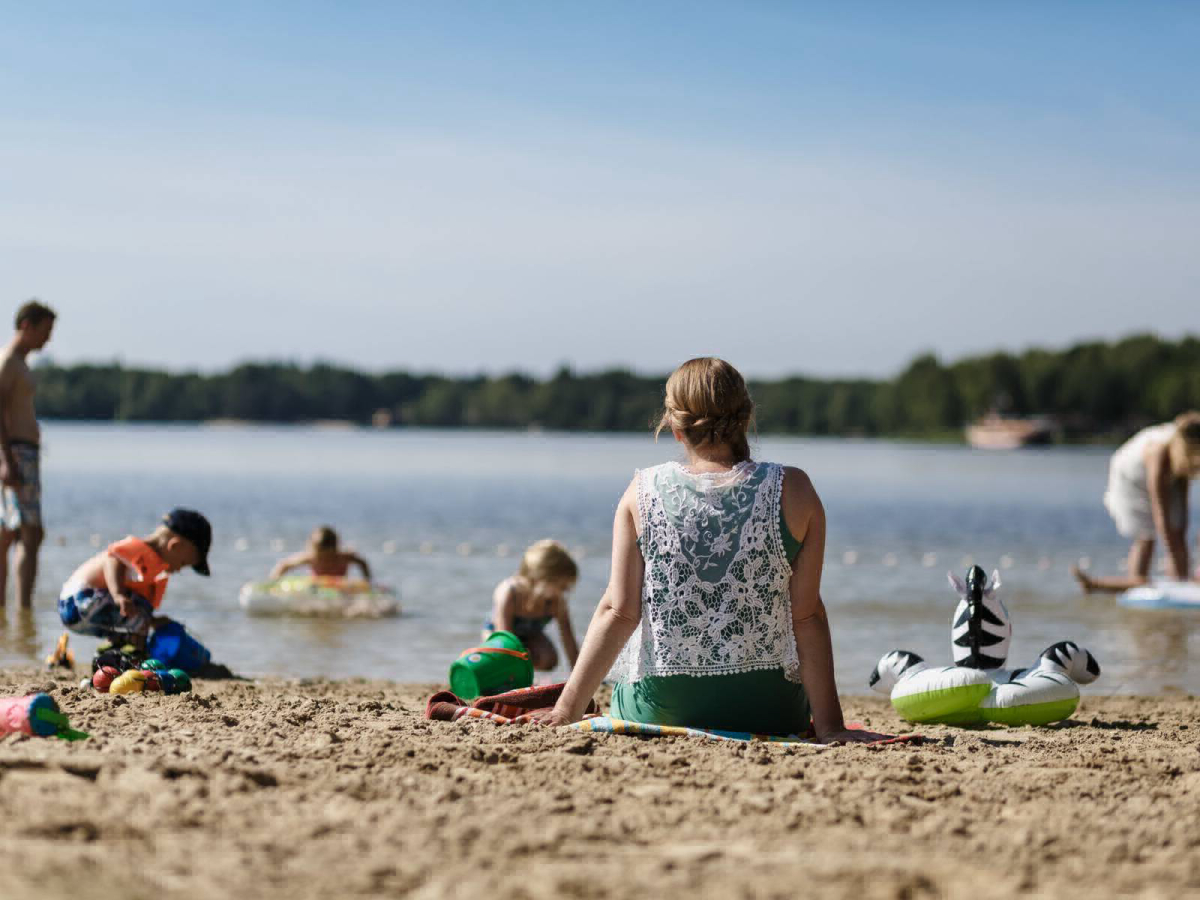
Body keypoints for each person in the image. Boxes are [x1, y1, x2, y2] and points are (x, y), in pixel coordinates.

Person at [529, 357, 889, 742]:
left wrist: (567, 710)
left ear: (674, 428)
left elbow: (619, 612)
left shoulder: (642, 491)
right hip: (772, 711)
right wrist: (831, 726)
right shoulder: (795, 490)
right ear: (747, 417)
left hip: (661, 709)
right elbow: (807, 616)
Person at [1073, 413, 1200, 594]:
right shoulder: (1159, 452)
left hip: (1163, 477)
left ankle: (1179, 580)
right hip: (1131, 478)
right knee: (1146, 537)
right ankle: (1134, 585)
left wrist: (1182, 573)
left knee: (1178, 530)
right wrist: (1174, 556)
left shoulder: (1183, 458)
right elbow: (1160, 513)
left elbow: (1181, 517)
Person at [57, 508, 212, 647]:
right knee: (139, 617)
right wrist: (118, 595)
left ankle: (116, 652)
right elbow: (112, 559)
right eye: (183, 563)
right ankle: (134, 652)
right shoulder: (139, 548)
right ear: (175, 545)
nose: (179, 570)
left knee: (141, 613)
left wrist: (153, 622)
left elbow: (140, 609)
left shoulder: (158, 574)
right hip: (77, 602)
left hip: (88, 614)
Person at [0, 300, 55, 610]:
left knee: (9, 533)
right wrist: (6, 459)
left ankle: (12, 620)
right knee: (30, 534)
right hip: (17, 453)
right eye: (45, 331)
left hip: (20, 452)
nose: (47, 339)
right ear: (26, 326)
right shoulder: (9, 361)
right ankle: (23, 610)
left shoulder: (19, 361)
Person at [486, 539, 580, 672]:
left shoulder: (556, 601)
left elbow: (568, 640)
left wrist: (578, 673)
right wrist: (513, 660)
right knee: (499, 657)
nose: (565, 591)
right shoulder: (510, 592)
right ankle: (514, 675)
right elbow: (504, 635)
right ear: (542, 579)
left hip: (531, 634)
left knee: (549, 659)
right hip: (498, 635)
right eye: (562, 586)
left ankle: (525, 670)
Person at [270, 526, 371, 581]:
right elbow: (284, 565)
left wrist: (368, 581)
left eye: (329, 557)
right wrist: (273, 583)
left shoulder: (344, 556)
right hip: (317, 589)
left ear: (336, 549)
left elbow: (362, 563)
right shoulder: (310, 558)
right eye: (321, 557)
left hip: (339, 589)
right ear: (313, 551)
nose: (326, 560)